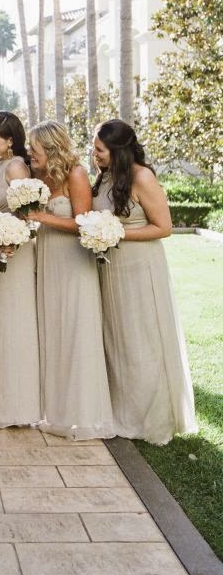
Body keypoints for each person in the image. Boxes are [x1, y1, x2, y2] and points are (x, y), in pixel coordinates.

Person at [92, 119, 196, 444]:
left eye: (99, 149)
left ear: (118, 151)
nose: (93, 154)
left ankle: (147, 417)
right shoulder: (106, 177)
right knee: (117, 338)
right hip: (110, 268)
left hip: (140, 268)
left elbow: (163, 227)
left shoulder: (143, 177)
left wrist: (117, 233)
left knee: (141, 340)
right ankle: (120, 410)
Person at [28, 121, 113, 440]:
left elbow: (83, 223)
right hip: (48, 256)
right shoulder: (39, 176)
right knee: (54, 329)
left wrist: (40, 217)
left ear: (49, 148)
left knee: (76, 329)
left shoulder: (76, 173)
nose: (29, 154)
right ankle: (57, 411)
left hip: (74, 261)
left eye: (33, 148)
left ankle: (83, 414)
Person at [0, 111, 40, 428]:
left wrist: (14, 241)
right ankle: (4, 402)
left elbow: (30, 214)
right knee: (3, 325)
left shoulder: (15, 166)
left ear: (10, 141)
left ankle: (19, 408)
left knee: (15, 325)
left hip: (13, 251)